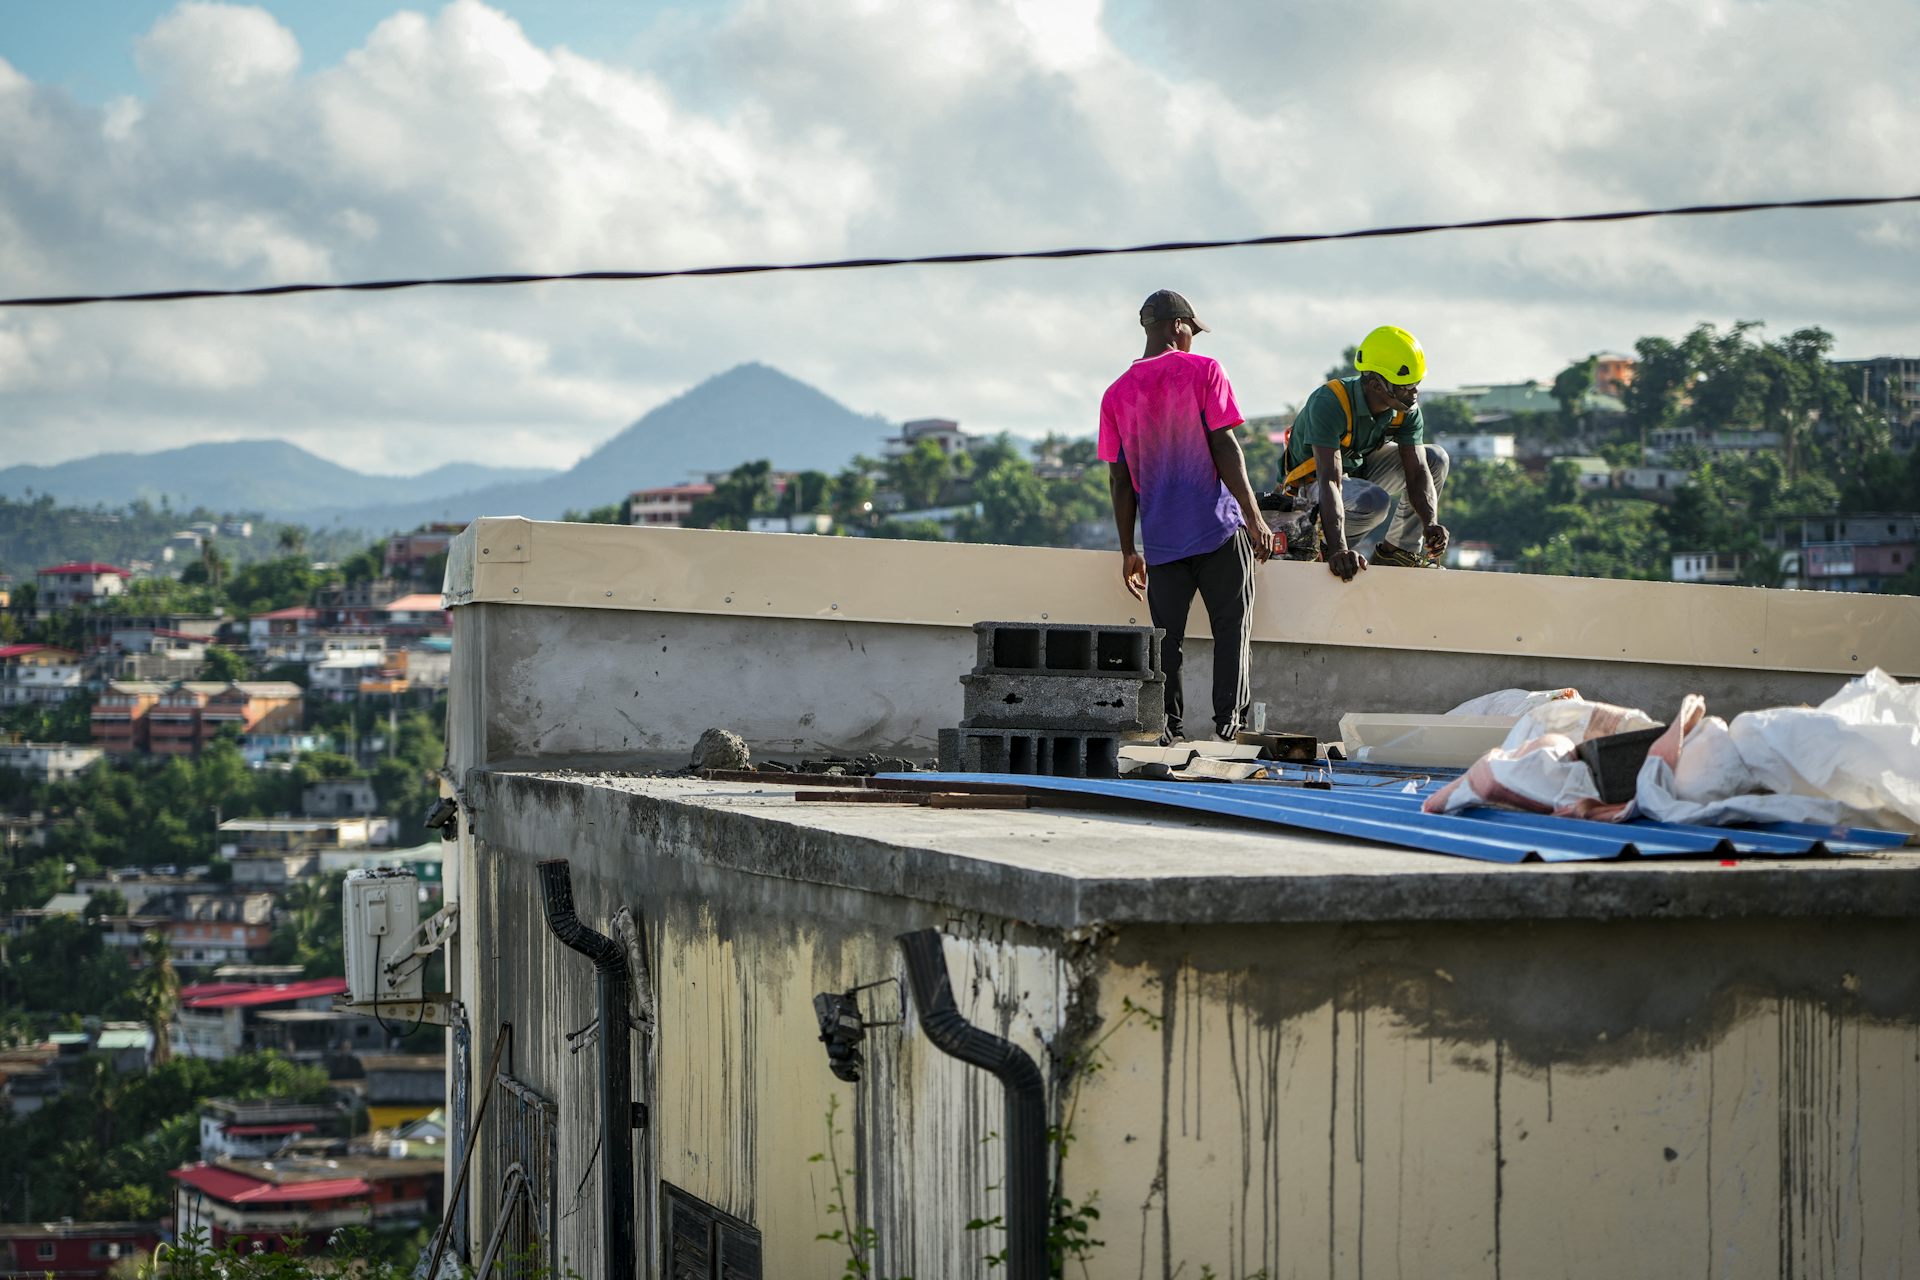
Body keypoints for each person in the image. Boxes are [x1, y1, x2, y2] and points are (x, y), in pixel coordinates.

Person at [1099, 289, 1275, 742]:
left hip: (1159, 540)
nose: (1194, 338)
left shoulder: (1116, 394)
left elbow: (1119, 480)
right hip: (1217, 529)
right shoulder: (1205, 370)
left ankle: (1168, 731)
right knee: (1232, 631)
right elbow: (1224, 446)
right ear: (1179, 327)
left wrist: (1127, 549)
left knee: (1166, 642)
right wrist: (1255, 518)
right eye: (1192, 330)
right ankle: (1227, 730)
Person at [1272, 325, 1450, 580]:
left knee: (1435, 459)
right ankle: (1319, 547)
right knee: (1374, 501)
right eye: (1406, 386)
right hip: (1311, 488)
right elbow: (1329, 481)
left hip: (1356, 474)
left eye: (1416, 384)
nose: (1414, 393)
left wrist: (1430, 522)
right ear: (1377, 385)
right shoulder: (1330, 402)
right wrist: (1339, 550)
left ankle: (1398, 553)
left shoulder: (1406, 409)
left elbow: (1418, 470)